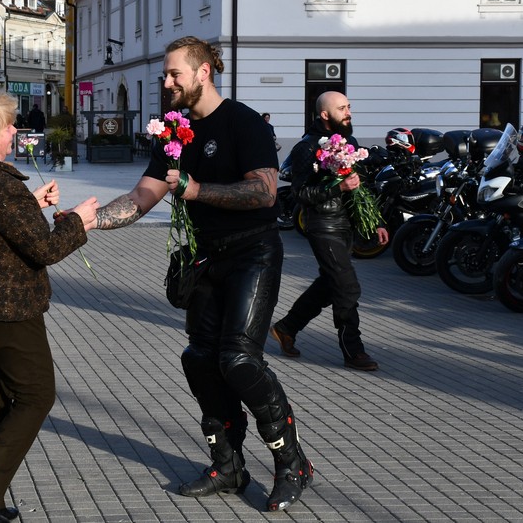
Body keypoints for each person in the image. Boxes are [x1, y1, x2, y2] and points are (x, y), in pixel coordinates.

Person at [89, 37, 313, 513]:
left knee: (239, 360)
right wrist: (87, 221)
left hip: (253, 254)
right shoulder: (173, 133)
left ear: (204, 72)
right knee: (199, 359)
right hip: (205, 259)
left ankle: (292, 462)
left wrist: (196, 189)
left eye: (174, 74)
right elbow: (143, 196)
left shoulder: (243, 122)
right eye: (165, 75)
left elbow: (265, 193)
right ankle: (228, 464)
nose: (166, 82)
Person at [0, 90, 98, 522]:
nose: (14, 130)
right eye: (7, 125)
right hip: (5, 309)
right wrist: (80, 220)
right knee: (36, 395)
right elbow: (44, 249)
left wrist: (32, 202)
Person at [270, 91, 389, 372]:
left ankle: (287, 328)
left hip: (346, 224)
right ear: (324, 114)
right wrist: (337, 187)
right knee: (347, 287)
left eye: (349, 107)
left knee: (330, 283)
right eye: (342, 108)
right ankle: (353, 350)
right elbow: (300, 194)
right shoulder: (306, 147)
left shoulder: (350, 143)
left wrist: (378, 221)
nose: (348, 112)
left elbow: (361, 187)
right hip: (322, 225)